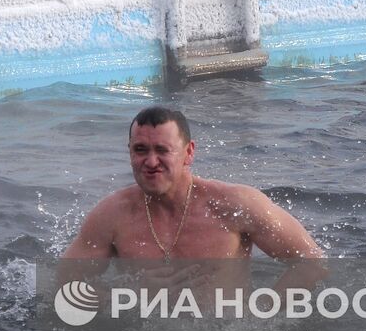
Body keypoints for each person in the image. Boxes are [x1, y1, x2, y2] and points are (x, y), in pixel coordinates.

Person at [63, 106, 326, 291]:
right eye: (140, 150)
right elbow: (65, 282)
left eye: (162, 150)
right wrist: (127, 297)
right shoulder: (112, 215)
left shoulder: (234, 205)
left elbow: (311, 262)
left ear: (189, 153)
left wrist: (262, 314)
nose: (150, 162)